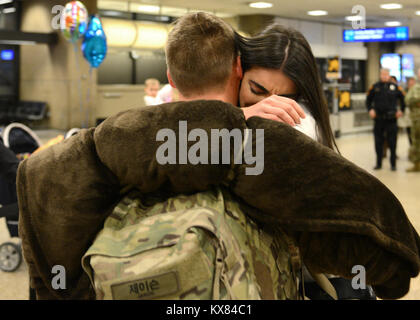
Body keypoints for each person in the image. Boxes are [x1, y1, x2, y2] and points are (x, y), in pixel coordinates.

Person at [17, 12, 420, 300]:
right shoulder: (256, 145)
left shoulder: (102, 146)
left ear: (171, 77)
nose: (276, 108)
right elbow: (363, 222)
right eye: (259, 91)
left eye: (288, 99)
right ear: (238, 70)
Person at [235, 24, 337, 150]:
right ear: (240, 71)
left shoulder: (303, 128)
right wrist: (238, 115)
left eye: (283, 98)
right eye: (257, 90)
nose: (267, 106)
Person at [367, 68, 406, 171]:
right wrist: (370, 110)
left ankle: (393, 164)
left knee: (392, 142)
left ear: (389, 75)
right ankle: (378, 163)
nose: (384, 76)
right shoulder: (375, 87)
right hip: (378, 119)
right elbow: (368, 100)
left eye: (386, 74)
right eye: (382, 74)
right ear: (380, 75)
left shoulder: (395, 87)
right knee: (378, 142)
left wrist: (401, 110)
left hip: (391, 120)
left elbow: (403, 99)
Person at [405, 68, 420, 172]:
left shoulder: (415, 88)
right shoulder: (415, 87)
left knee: (416, 141)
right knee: (415, 142)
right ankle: (417, 165)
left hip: (417, 118)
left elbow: (412, 100)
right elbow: (408, 100)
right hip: (416, 120)